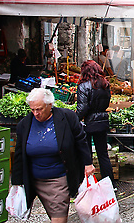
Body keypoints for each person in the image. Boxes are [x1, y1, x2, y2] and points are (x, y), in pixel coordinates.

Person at [12, 88, 95, 223]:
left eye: (39, 109)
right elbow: (19, 154)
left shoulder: (67, 117)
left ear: (49, 105)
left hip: (58, 179)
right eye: (32, 110)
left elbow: (81, 140)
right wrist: (16, 183)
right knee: (52, 215)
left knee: (58, 218)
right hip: (34, 179)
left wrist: (88, 163)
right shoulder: (24, 124)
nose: (36, 113)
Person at [76, 60, 115, 187]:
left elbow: (83, 107)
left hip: (88, 122)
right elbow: (107, 103)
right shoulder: (105, 84)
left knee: (86, 155)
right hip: (102, 120)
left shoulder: (83, 86)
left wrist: (76, 119)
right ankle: (110, 184)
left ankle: (86, 184)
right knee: (103, 154)